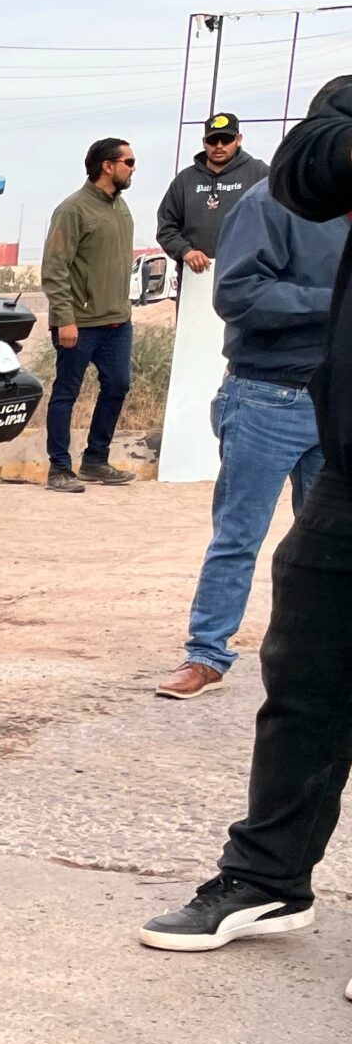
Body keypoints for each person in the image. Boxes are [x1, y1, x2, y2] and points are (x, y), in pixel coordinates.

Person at [140, 75, 352, 975]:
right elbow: (248, 286)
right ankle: (268, 878)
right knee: (303, 669)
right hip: (290, 410)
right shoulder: (284, 188)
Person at [156, 177, 342, 700]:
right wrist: (337, 299)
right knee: (239, 536)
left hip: (338, 399)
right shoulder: (267, 204)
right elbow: (237, 293)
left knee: (332, 542)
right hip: (267, 397)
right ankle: (207, 655)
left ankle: (320, 661)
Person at [41, 138, 139, 493]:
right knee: (66, 392)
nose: (133, 168)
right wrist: (65, 318)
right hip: (79, 325)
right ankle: (59, 469)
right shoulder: (73, 209)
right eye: (128, 161)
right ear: (107, 166)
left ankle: (95, 460)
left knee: (118, 385)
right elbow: (54, 268)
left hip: (117, 322)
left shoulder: (121, 207)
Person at [155, 111, 266, 281]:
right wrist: (185, 251)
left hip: (247, 276)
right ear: (204, 142)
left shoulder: (260, 174)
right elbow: (166, 227)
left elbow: (281, 220)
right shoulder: (184, 180)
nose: (219, 146)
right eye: (213, 140)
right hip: (196, 278)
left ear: (238, 139)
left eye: (226, 139)